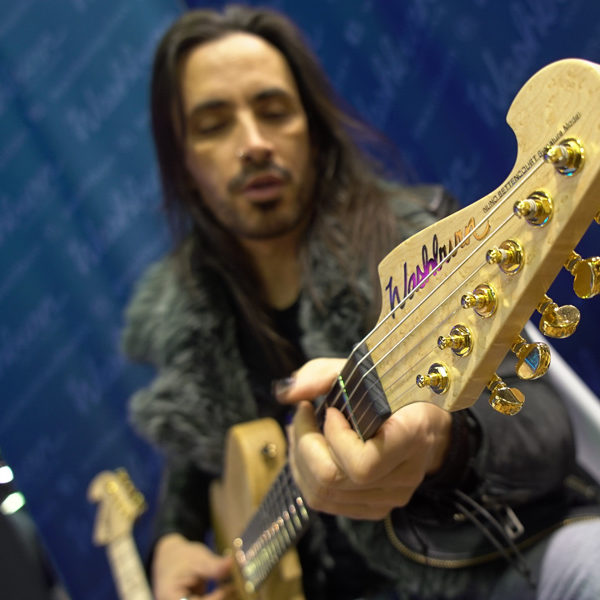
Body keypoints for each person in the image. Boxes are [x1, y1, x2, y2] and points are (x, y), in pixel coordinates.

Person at [121, 5, 600, 600]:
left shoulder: (419, 246)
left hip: (477, 566)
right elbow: (193, 460)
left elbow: (542, 428)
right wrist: (171, 540)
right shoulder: (187, 319)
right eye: (214, 125)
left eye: (274, 112)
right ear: (185, 165)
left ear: (312, 130)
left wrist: (441, 446)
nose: (253, 144)